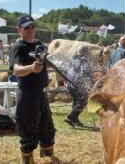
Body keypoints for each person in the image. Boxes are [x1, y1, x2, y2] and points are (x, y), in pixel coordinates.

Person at [9, 14, 56, 164]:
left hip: (41, 93)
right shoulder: (18, 47)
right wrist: (31, 68)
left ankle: (48, 157)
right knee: (28, 129)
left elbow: (43, 61)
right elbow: (15, 70)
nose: (30, 30)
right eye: (26, 27)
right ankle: (28, 160)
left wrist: (47, 70)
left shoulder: (38, 43)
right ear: (19, 30)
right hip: (28, 94)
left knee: (47, 127)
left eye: (33, 26)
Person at [64, 45, 92, 127]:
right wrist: (89, 80)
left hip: (70, 83)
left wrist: (65, 81)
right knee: (84, 100)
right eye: (87, 51)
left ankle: (75, 120)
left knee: (76, 101)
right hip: (78, 83)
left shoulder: (73, 58)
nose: (88, 53)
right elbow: (84, 72)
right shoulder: (84, 60)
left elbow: (67, 69)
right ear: (84, 52)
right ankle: (70, 117)